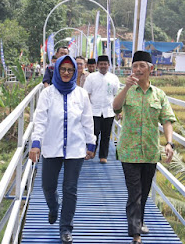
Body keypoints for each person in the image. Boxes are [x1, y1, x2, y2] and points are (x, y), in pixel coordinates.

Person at [29, 55, 96, 244]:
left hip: (75, 148)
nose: (66, 73)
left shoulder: (81, 94)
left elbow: (87, 121)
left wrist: (91, 144)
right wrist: (36, 143)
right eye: (63, 69)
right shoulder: (47, 94)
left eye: (70, 70)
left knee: (70, 189)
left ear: (75, 72)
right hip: (51, 147)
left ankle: (66, 228)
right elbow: (40, 120)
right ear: (57, 71)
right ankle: (53, 207)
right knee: (48, 186)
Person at [113, 51, 176, 244]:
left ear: (151, 69)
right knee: (135, 192)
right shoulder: (127, 91)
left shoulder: (159, 95)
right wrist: (125, 88)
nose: (138, 69)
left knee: (145, 189)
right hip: (129, 150)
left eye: (142, 66)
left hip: (150, 151)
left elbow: (167, 120)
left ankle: (139, 221)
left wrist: (169, 142)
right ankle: (136, 233)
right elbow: (115, 108)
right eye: (135, 66)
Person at [83, 55, 120, 163]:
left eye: (105, 64)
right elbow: (87, 94)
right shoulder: (91, 77)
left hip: (108, 111)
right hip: (94, 110)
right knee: (94, 133)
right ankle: (91, 151)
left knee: (106, 134)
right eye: (101, 64)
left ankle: (103, 156)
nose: (103, 66)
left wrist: (118, 111)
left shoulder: (114, 78)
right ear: (97, 65)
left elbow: (116, 94)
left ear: (108, 65)